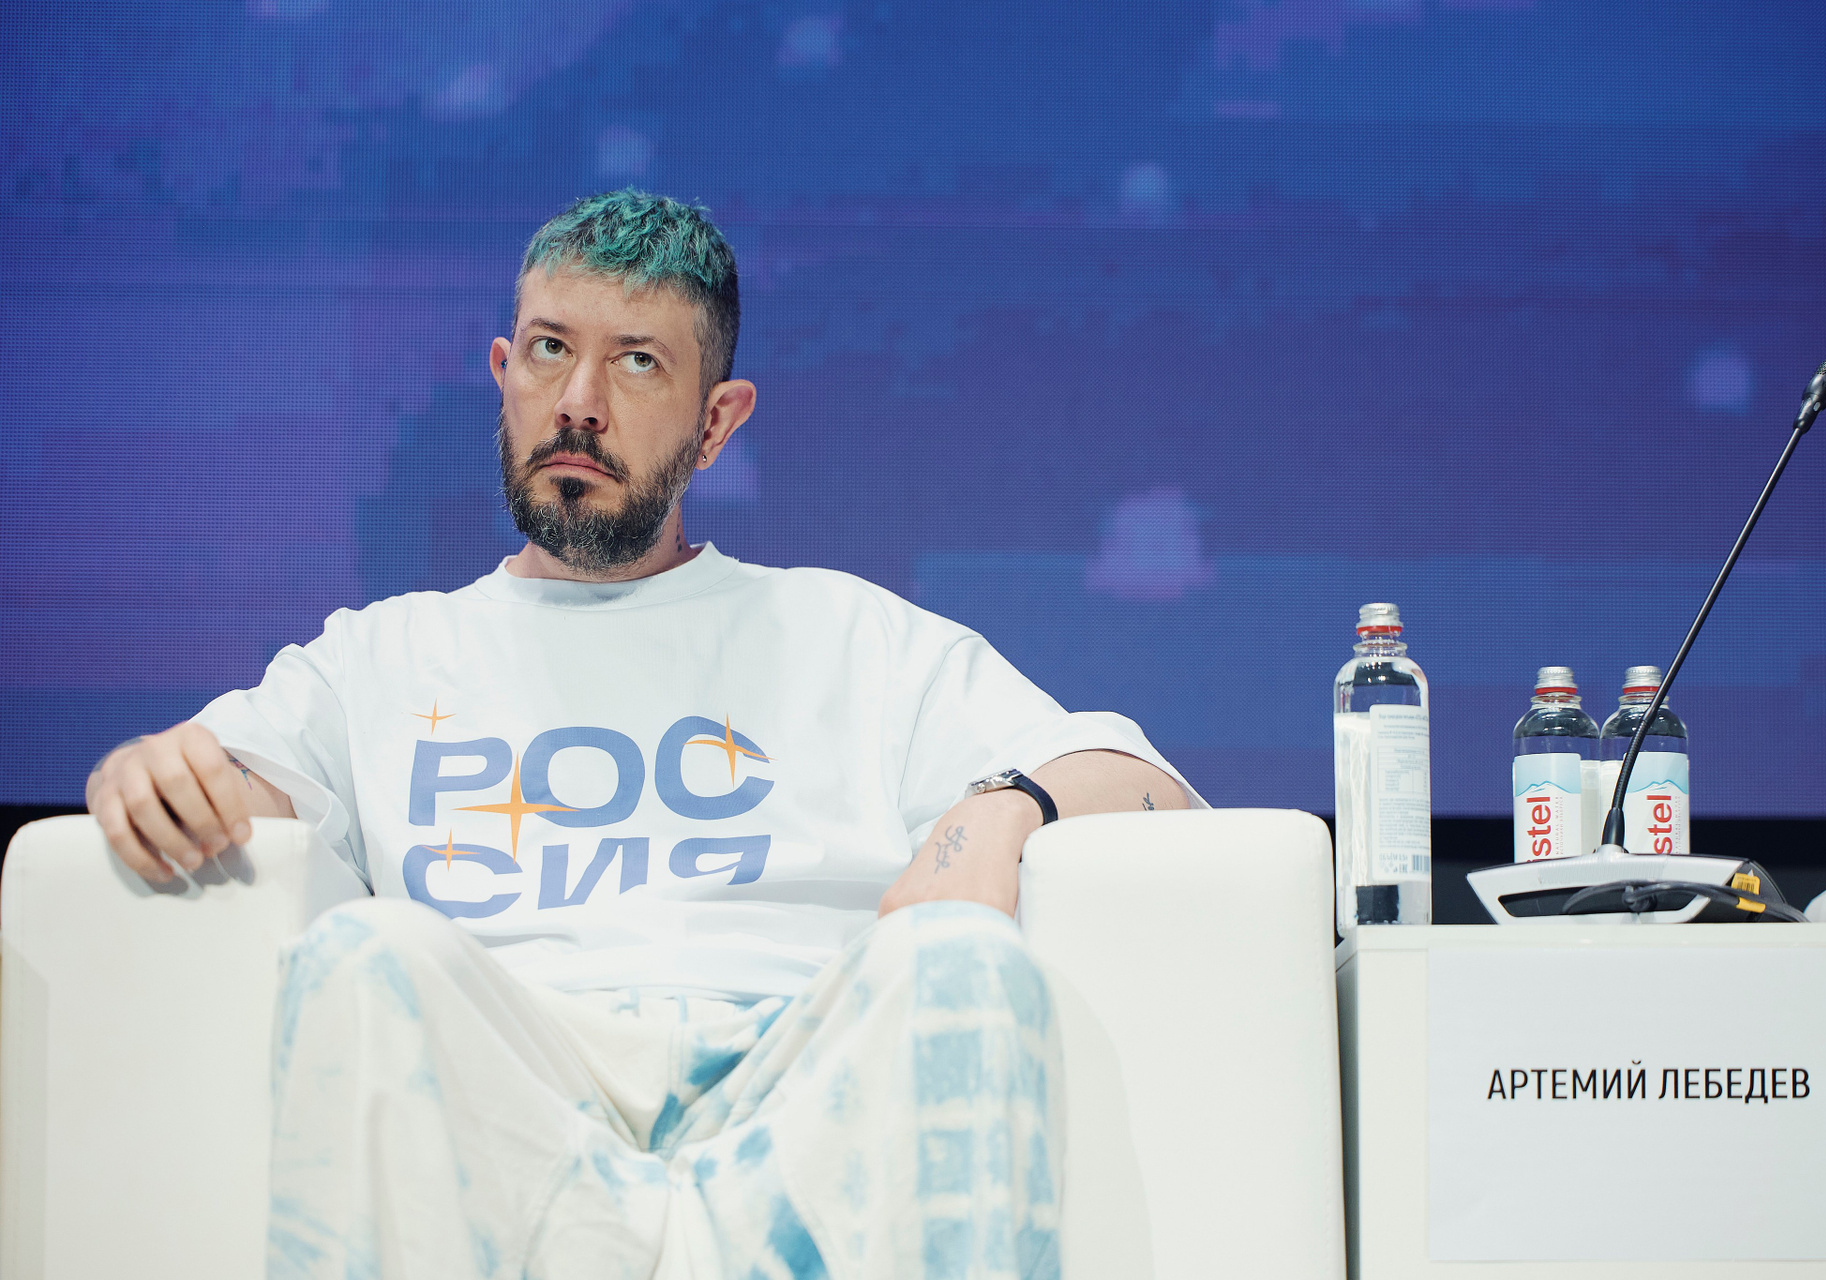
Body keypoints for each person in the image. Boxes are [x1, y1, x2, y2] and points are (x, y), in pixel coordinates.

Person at [85, 189, 1199, 1280]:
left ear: (716, 423)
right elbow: (225, 780)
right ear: (502, 374)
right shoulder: (379, 655)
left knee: (957, 961)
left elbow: (1149, 786)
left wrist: (1002, 808)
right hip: (507, 1115)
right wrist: (159, 774)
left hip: (800, 1118)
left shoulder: (850, 634)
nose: (578, 402)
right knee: (367, 956)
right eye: (549, 350)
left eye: (636, 363)